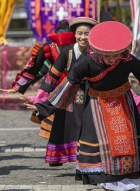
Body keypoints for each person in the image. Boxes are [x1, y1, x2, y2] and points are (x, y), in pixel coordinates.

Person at [25, 21, 140, 191]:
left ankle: (129, 180)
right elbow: (66, 86)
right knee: (102, 145)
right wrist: (43, 108)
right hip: (96, 107)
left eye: (116, 55)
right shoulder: (85, 63)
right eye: (108, 55)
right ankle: (108, 180)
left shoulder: (128, 60)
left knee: (126, 141)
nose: (112, 59)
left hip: (124, 105)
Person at [21, 17, 98, 166]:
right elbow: (52, 77)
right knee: (68, 127)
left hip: (92, 93)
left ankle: (89, 160)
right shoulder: (67, 52)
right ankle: (74, 159)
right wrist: (39, 98)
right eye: (80, 33)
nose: (83, 37)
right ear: (74, 34)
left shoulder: (97, 52)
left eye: (87, 34)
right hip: (68, 92)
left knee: (90, 127)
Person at [4, 20, 75, 137]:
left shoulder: (78, 48)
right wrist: (17, 87)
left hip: (73, 84)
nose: (63, 47)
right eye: (60, 44)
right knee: (55, 126)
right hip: (53, 85)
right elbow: (34, 68)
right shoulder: (48, 48)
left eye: (66, 45)